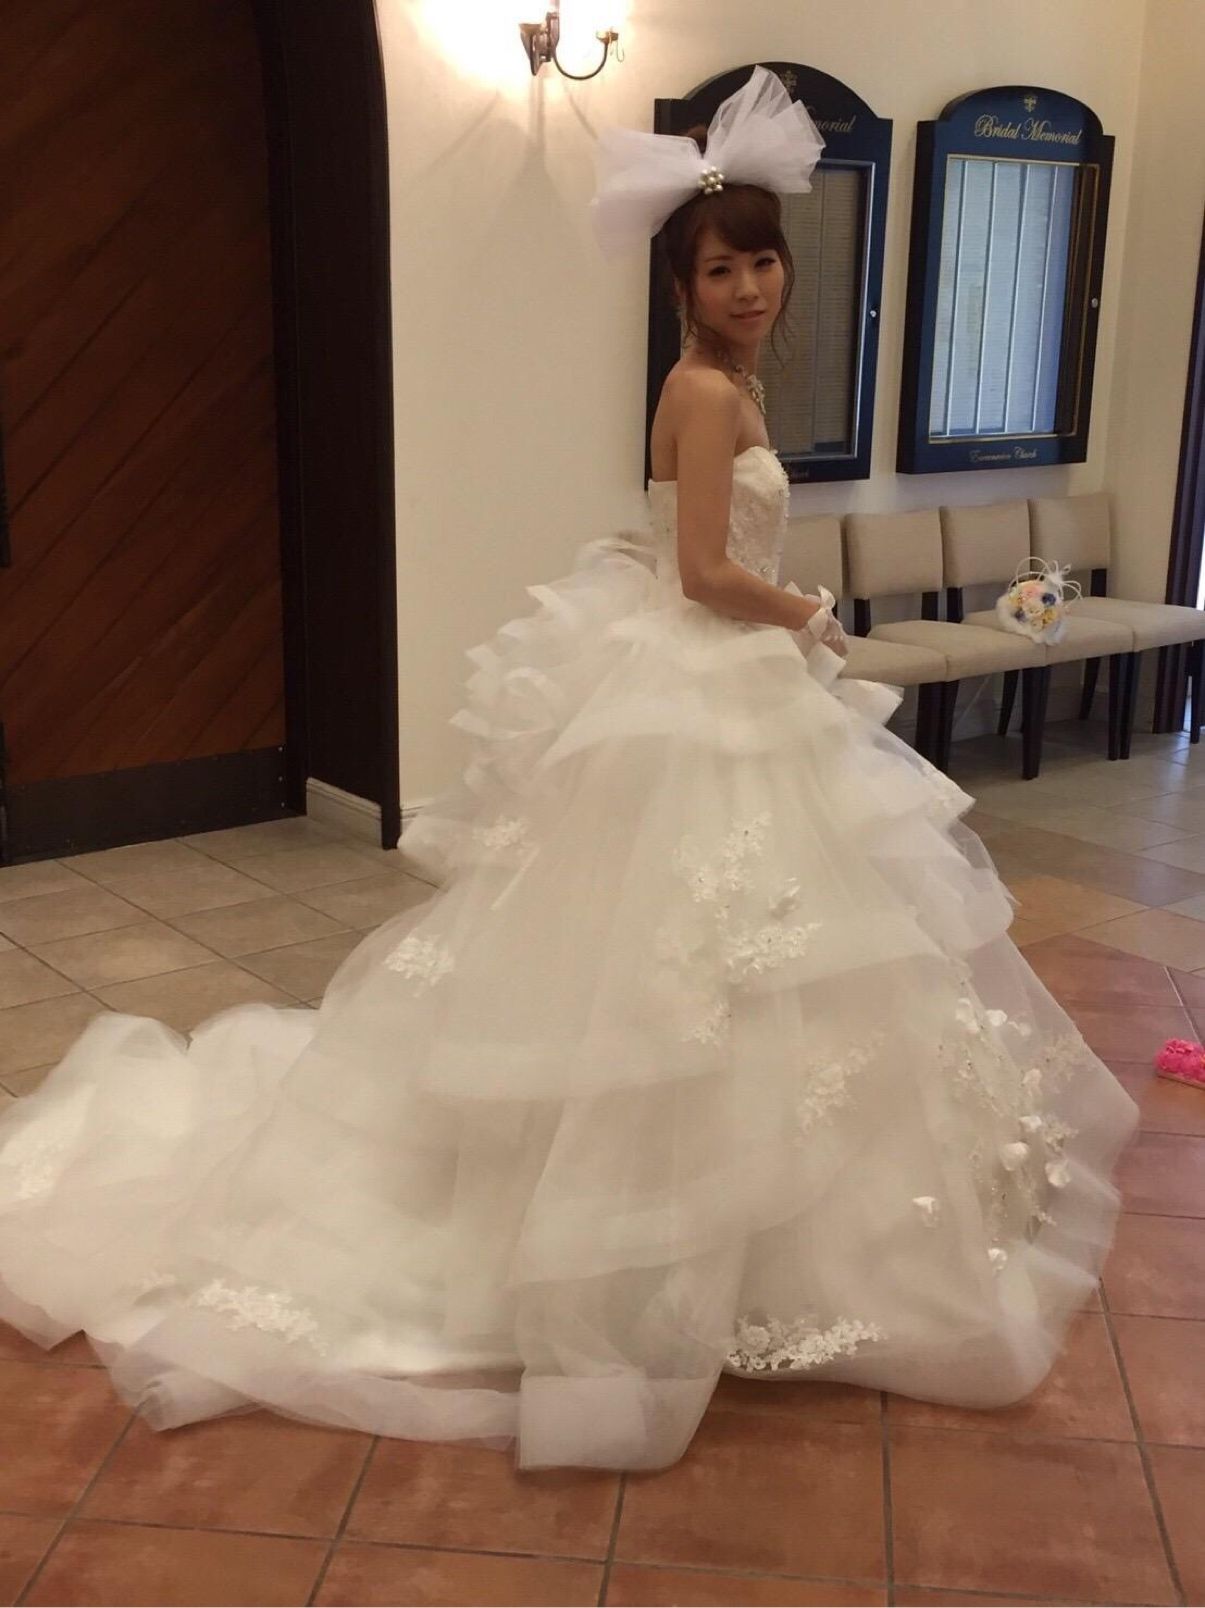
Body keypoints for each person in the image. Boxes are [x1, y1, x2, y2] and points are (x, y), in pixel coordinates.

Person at [0, 69, 1137, 1473]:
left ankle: (764, 1231)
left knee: (762, 960)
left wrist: (783, 624)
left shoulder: (726, 384)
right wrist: (807, 616)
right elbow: (708, 571)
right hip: (713, 671)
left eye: (762, 263)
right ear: (681, 284)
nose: (749, 288)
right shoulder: (702, 394)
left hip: (723, 675)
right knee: (695, 964)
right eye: (721, 270)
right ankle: (668, 1234)